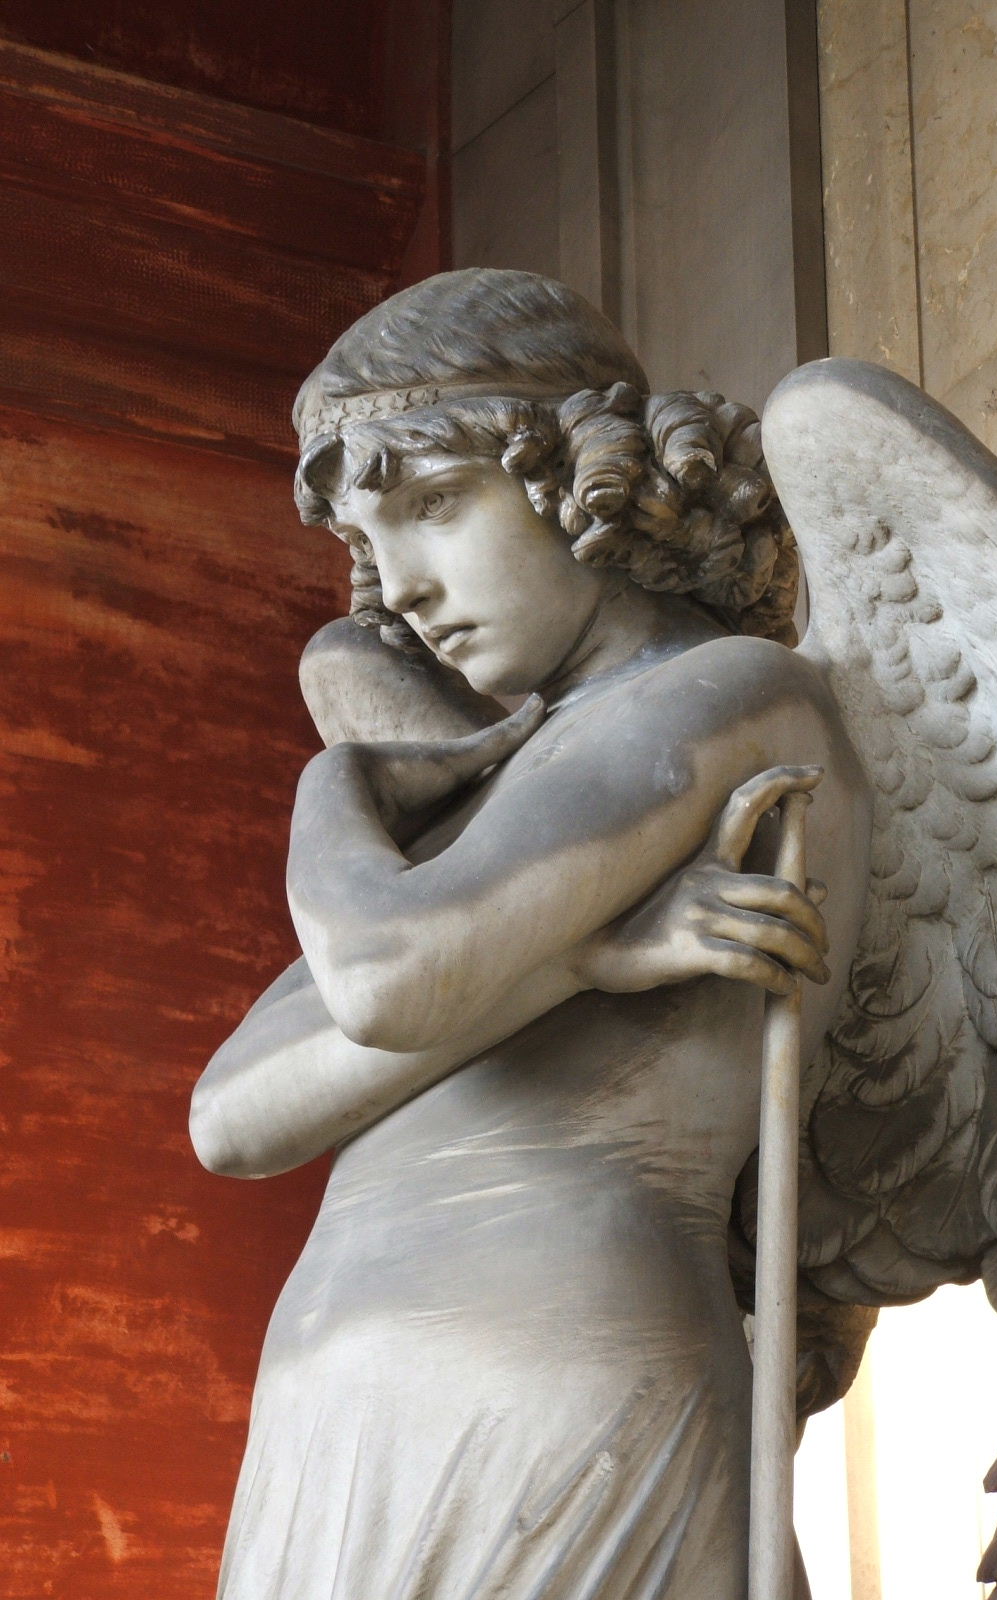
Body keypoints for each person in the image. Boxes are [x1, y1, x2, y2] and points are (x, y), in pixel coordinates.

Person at [191, 269, 871, 1600]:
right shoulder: (501, 781)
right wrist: (568, 959)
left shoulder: (728, 694)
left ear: (579, 475)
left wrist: (334, 786)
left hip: (559, 1404)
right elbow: (231, 1117)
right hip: (345, 1426)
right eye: (371, 540)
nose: (402, 587)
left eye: (436, 504)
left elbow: (387, 978)